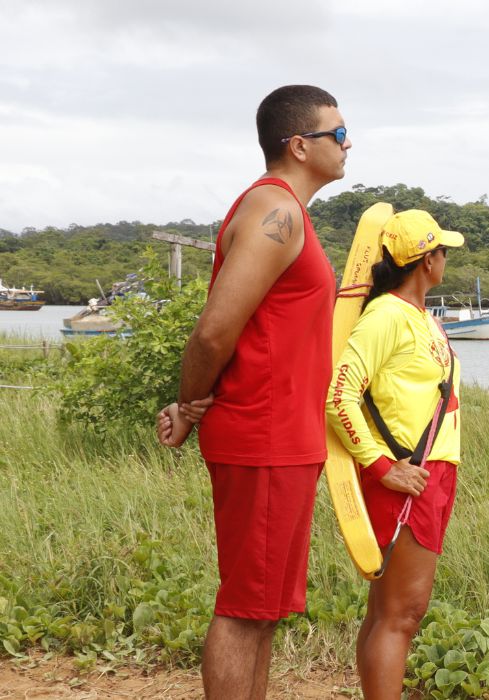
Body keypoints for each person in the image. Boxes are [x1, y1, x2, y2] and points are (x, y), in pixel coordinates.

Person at [155, 84, 351, 699]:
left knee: (263, 611)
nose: (349, 144)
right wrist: (189, 406)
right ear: (299, 144)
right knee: (245, 610)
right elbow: (214, 331)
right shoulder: (278, 212)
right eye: (338, 133)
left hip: (285, 439)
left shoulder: (287, 210)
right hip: (264, 435)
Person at [325, 209, 464, 699]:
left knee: (387, 613)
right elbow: (337, 397)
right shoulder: (385, 316)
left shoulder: (419, 316)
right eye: (443, 251)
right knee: (401, 616)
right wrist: (381, 466)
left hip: (431, 474)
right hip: (406, 478)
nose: (446, 258)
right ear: (427, 261)